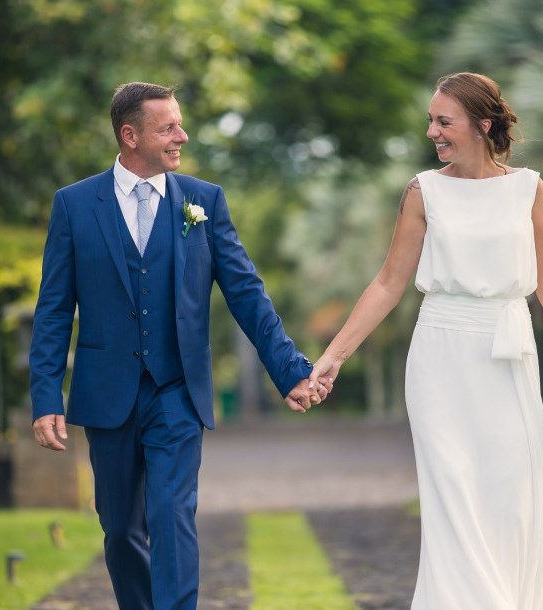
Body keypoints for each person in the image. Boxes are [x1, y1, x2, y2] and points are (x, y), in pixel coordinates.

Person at [29, 82, 327, 610]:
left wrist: (291, 370)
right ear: (130, 135)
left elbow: (246, 294)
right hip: (108, 395)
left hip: (176, 392)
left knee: (171, 515)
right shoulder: (74, 206)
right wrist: (46, 396)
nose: (181, 136)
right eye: (167, 127)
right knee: (120, 529)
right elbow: (54, 309)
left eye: (179, 124)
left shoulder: (203, 201)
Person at [309, 72, 543, 609]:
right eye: (431, 121)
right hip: (441, 355)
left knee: (513, 498)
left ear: (482, 125)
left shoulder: (528, 187)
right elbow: (389, 282)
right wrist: (333, 356)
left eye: (444, 120)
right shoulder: (423, 191)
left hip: (510, 356)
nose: (433, 131)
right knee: (454, 494)